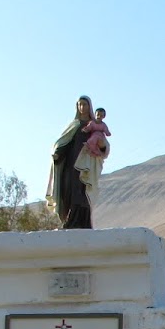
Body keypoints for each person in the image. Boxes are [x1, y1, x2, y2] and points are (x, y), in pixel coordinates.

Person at [46, 95, 109, 229]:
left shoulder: (94, 125)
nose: (82, 107)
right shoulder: (74, 125)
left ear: (89, 107)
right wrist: (57, 153)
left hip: (86, 166)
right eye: (79, 105)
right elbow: (63, 143)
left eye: (84, 105)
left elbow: (104, 146)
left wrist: (102, 145)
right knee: (69, 190)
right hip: (71, 165)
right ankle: (69, 220)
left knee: (83, 192)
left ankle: (83, 222)